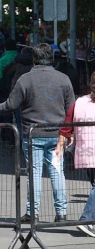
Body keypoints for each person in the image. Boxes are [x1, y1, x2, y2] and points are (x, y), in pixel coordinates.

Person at [0, 43, 75, 223]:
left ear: (34, 59)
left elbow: (10, 105)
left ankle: (32, 213)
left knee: (33, 173)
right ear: (52, 58)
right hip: (57, 136)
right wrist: (69, 133)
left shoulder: (25, 79)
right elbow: (70, 109)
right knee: (57, 172)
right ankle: (61, 214)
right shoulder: (64, 79)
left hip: (33, 134)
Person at [57, 71, 95, 237]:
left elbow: (67, 123)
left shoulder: (79, 102)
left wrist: (61, 141)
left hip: (86, 152)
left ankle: (89, 221)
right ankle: (86, 219)